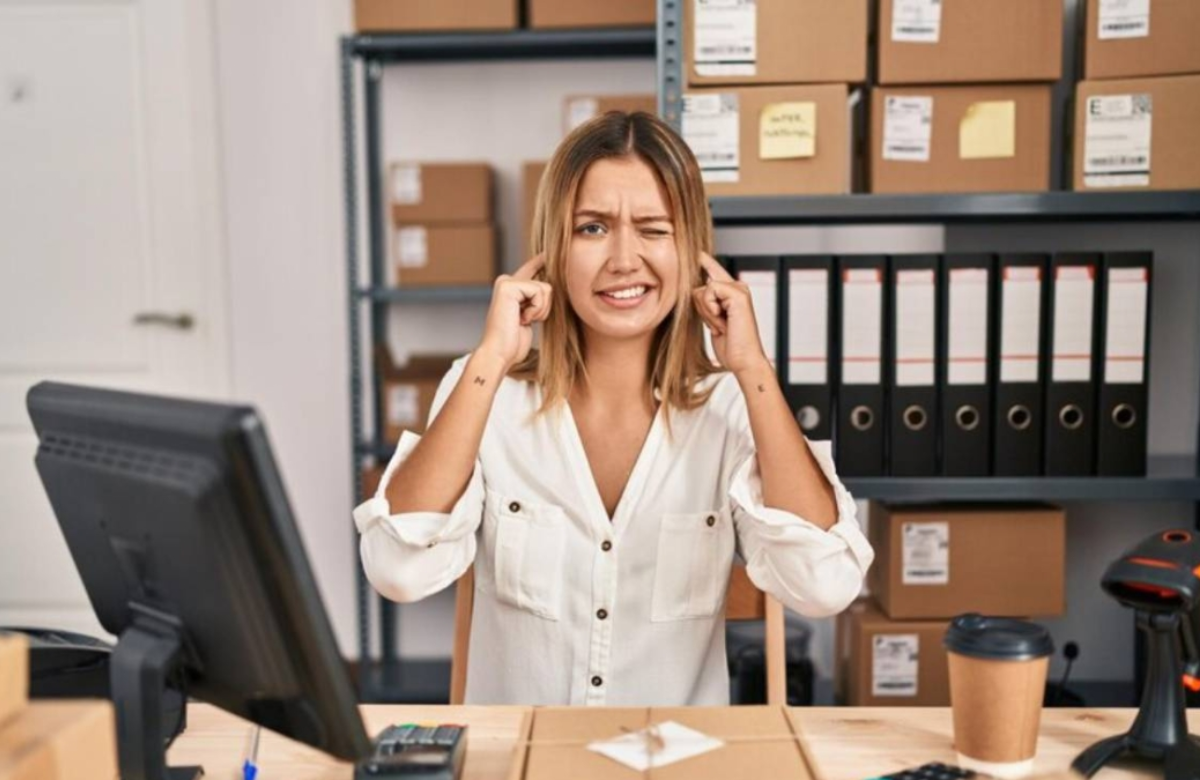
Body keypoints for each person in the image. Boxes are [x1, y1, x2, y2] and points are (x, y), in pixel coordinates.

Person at [353, 111, 873, 706]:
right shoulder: (486, 391)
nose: (624, 259)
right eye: (593, 228)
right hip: (523, 764)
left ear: (693, 252)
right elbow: (397, 570)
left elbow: (825, 584)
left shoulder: (729, 407)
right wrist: (492, 356)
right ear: (552, 250)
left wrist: (753, 368)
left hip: (674, 763)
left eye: (654, 229)